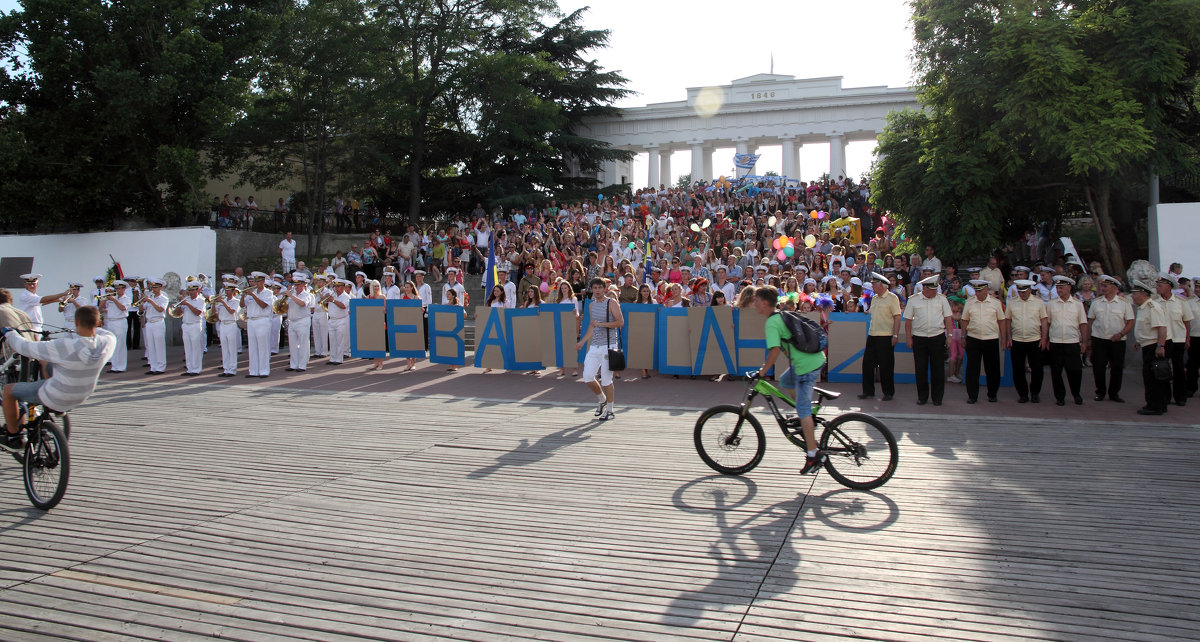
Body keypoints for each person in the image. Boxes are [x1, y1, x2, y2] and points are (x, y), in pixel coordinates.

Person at [0, 305, 116, 452]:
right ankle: (55, 410)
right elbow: (103, 333)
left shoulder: (64, 346)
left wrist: (9, 333)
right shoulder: (107, 342)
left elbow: (25, 347)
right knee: (45, 361)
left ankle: (13, 437)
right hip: (81, 395)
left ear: (76, 322)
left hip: (55, 394)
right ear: (98, 323)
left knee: (8, 391)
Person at [753, 286, 827, 475]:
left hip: (806, 367)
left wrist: (762, 372)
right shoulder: (780, 315)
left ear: (765, 303)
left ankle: (813, 455)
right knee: (785, 382)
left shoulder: (771, 323)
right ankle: (806, 417)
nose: (754, 304)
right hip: (810, 361)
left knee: (802, 409)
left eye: (756, 301)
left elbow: (775, 351)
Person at [903, 274, 954, 405]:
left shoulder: (941, 299)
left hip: (937, 337)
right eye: (932, 290)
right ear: (924, 289)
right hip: (919, 338)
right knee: (920, 369)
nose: (934, 292)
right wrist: (908, 338)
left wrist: (949, 335)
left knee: (938, 368)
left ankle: (937, 398)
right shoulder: (914, 300)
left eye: (936, 289)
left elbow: (948, 317)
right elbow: (908, 321)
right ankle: (922, 397)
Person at [576, 278, 622, 421]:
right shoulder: (591, 305)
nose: (597, 290)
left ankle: (610, 410)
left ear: (604, 288)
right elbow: (592, 325)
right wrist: (582, 341)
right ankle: (602, 400)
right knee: (588, 376)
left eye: (599, 287)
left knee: (607, 380)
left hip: (609, 345)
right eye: (594, 288)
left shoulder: (611, 302)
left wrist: (602, 324)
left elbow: (620, 322)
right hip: (595, 345)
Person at [1087, 275, 1135, 402]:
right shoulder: (1096, 302)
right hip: (1099, 339)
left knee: (1117, 367)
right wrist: (1089, 340)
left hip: (1117, 340)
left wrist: (1121, 334)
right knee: (1098, 367)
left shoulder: (1124, 303)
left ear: (1114, 288)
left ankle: (1114, 393)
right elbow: (1090, 321)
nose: (1102, 288)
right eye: (1102, 286)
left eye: (1106, 286)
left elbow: (1130, 322)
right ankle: (1100, 392)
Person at [961, 279, 1006, 403]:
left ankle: (992, 394)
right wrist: (963, 336)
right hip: (973, 338)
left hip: (990, 339)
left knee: (992, 369)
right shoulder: (969, 302)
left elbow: (1001, 321)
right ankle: (972, 395)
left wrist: (1004, 338)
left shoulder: (996, 303)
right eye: (976, 291)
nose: (978, 293)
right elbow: (964, 320)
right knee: (972, 369)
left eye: (980, 291)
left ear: (986, 290)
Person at [1046, 275, 1088, 406]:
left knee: (1075, 370)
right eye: (1057, 288)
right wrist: (1046, 339)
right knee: (1056, 371)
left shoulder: (1077, 304)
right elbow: (1047, 323)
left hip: (1072, 342)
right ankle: (1060, 396)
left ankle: (1076, 394)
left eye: (1062, 287)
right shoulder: (1051, 304)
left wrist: (1085, 342)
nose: (1059, 290)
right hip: (1056, 342)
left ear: (1069, 288)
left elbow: (1083, 324)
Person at [859, 272, 901, 401]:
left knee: (886, 365)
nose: (872, 286)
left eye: (874, 284)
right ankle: (868, 391)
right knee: (867, 364)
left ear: (881, 285)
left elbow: (897, 317)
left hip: (886, 335)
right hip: (872, 334)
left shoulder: (892, 298)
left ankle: (888, 392)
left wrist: (895, 334)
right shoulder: (874, 298)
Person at [1130, 281, 1170, 416]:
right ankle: (1158, 404)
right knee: (1152, 377)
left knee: (1152, 378)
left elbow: (1161, 328)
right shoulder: (1143, 307)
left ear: (1143, 294)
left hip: (1153, 346)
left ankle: (1154, 405)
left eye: (1134, 294)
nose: (1132, 297)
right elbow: (1146, 328)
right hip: (1147, 345)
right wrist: (1138, 341)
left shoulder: (1153, 307)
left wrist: (1160, 346)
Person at [1006, 279, 1048, 403]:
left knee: (1037, 368)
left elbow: (1044, 320)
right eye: (1020, 291)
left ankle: (1035, 393)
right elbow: (1008, 320)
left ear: (1030, 290)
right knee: (1018, 369)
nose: (1022, 294)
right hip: (1017, 339)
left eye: (1024, 291)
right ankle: (1023, 394)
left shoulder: (1038, 302)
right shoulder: (1012, 302)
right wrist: (1009, 337)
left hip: (1035, 339)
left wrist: (1044, 338)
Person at [1153, 274, 1193, 406]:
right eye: (1157, 286)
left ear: (1169, 287)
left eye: (1160, 286)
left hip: (1178, 338)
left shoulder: (1181, 302)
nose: (1157, 288)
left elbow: (1186, 322)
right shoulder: (1154, 302)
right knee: (1163, 368)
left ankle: (1180, 396)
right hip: (1163, 340)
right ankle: (1165, 396)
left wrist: (1187, 338)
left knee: (1179, 368)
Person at [242, 272, 273, 378]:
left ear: (263, 281)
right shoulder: (252, 292)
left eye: (258, 281)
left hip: (262, 320)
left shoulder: (268, 293)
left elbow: (263, 305)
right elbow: (242, 305)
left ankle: (264, 371)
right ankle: (253, 371)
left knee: (263, 346)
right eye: (255, 281)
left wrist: (252, 295)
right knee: (253, 347)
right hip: (251, 320)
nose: (256, 283)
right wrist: (243, 295)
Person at [284, 275, 315, 372]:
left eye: (298, 284)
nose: (295, 286)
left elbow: (302, 304)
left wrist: (291, 296)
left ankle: (302, 365)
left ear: (303, 284)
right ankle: (293, 364)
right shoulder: (292, 294)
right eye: (295, 284)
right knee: (292, 344)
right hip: (292, 321)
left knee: (303, 343)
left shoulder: (307, 295)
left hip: (303, 320)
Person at [177, 282, 207, 376]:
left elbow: (197, 312)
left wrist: (187, 304)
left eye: (193, 290)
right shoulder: (186, 300)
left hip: (195, 325)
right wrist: (179, 305)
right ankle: (189, 369)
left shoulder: (201, 300)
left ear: (198, 290)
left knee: (196, 348)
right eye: (189, 290)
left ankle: (196, 369)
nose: (191, 292)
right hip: (186, 325)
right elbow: (178, 313)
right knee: (188, 348)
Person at [140, 278, 168, 375]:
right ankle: (153, 367)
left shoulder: (163, 298)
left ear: (160, 287)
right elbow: (141, 310)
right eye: (153, 287)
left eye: (156, 287)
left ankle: (161, 367)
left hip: (158, 322)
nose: (154, 289)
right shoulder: (150, 297)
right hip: (149, 323)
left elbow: (160, 309)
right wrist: (141, 301)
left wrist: (150, 301)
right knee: (150, 346)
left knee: (159, 346)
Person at [102, 282, 131, 373]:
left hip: (120, 322)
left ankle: (121, 367)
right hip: (111, 322)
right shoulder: (112, 298)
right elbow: (101, 308)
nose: (117, 291)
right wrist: (104, 298)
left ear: (124, 289)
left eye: (119, 289)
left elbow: (122, 308)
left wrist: (114, 300)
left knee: (120, 345)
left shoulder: (126, 299)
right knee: (113, 344)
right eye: (116, 289)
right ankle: (114, 366)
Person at [214, 280, 241, 377]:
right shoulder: (222, 301)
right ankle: (226, 368)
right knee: (224, 348)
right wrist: (214, 303)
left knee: (232, 348)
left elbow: (231, 311)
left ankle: (232, 369)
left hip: (231, 324)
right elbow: (214, 313)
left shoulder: (236, 301)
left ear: (233, 291)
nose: (227, 292)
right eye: (226, 290)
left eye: (229, 290)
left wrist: (222, 302)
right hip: (223, 324)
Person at [326, 279, 351, 365]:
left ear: (343, 287)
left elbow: (343, 306)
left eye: (338, 286)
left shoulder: (346, 297)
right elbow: (324, 303)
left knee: (340, 340)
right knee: (332, 340)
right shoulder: (333, 295)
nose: (336, 288)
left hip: (341, 320)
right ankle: (332, 358)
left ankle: (339, 359)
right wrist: (325, 298)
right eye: (335, 286)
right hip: (332, 319)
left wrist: (332, 300)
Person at [311, 274, 331, 358]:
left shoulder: (327, 291)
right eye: (318, 282)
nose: (319, 284)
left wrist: (320, 294)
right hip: (315, 313)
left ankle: (324, 352)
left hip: (323, 312)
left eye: (321, 282)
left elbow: (326, 301)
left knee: (323, 333)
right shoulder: (315, 291)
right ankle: (317, 351)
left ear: (324, 283)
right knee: (316, 333)